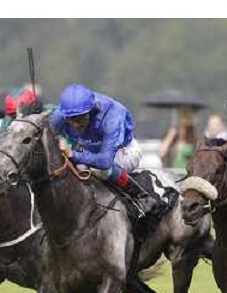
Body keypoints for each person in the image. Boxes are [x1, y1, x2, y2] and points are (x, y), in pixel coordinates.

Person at [49, 84, 159, 217]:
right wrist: (60, 141)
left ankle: (141, 196)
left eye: (80, 118)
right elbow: (47, 133)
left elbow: (105, 161)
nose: (75, 124)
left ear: (90, 110)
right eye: (71, 119)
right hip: (87, 149)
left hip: (122, 151)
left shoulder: (112, 115)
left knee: (100, 170)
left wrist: (73, 154)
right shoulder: (60, 114)